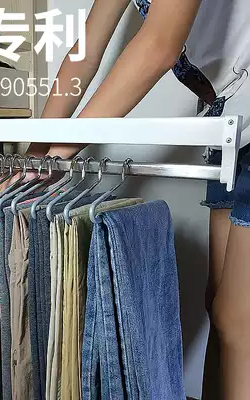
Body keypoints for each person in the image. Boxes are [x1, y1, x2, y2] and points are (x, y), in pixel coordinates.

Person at [26, 0, 250, 399]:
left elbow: (159, 44)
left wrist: (59, 152)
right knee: (219, 304)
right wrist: (34, 153)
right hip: (231, 113)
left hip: (242, 109)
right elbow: (84, 53)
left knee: (237, 317)